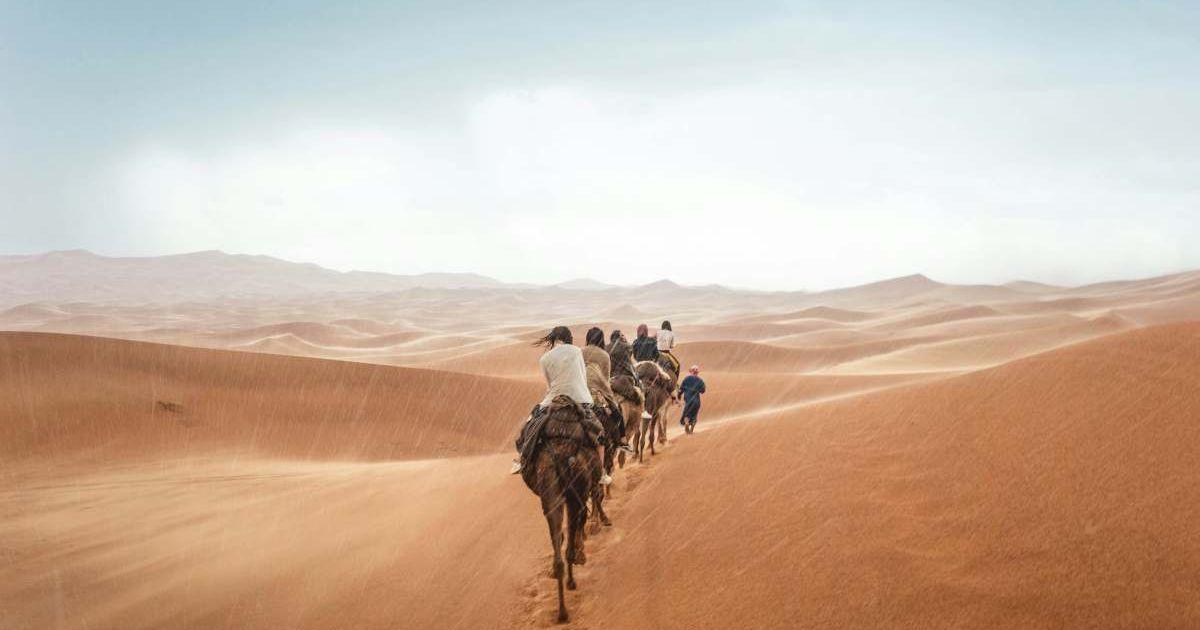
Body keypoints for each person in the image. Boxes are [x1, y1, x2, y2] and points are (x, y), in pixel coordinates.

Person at [511, 326, 611, 485]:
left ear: (554, 339)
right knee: (599, 433)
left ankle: (522, 458)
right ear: (569, 338)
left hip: (554, 398)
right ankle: (601, 473)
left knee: (531, 423)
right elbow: (582, 376)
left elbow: (549, 385)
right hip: (579, 398)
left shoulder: (544, 359)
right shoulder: (577, 351)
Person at [582, 327, 633, 453]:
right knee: (617, 414)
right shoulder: (604, 355)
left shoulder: (580, 352)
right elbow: (605, 378)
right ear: (601, 339)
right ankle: (622, 440)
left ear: (588, 338)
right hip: (598, 393)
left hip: (581, 390)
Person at [678, 365, 706, 434]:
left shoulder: (686, 379)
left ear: (691, 371)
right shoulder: (700, 380)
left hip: (688, 400)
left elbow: (680, 390)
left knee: (686, 414)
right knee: (694, 415)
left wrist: (678, 396)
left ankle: (687, 423)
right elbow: (703, 391)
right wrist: (698, 389)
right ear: (697, 372)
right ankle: (691, 430)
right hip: (697, 401)